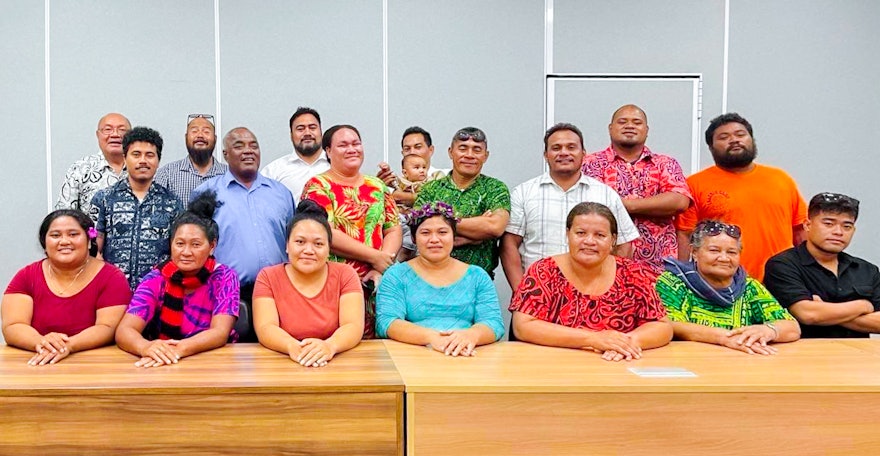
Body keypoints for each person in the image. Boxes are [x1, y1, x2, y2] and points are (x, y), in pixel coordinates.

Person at [509, 202, 672, 362]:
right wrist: (593, 339)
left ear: (613, 240)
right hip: (554, 366)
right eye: (580, 233)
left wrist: (624, 343)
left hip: (616, 367)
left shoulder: (632, 273)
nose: (589, 241)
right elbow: (523, 326)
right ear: (567, 234)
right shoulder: (544, 271)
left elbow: (662, 326)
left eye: (600, 235)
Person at [501, 123, 639, 292]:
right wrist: (522, 293)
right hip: (538, 294)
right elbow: (509, 245)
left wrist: (609, 290)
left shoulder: (605, 194)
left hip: (592, 296)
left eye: (571, 147)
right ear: (546, 155)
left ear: (583, 154)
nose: (563, 152)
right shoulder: (523, 193)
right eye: (556, 148)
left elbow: (624, 244)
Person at [192, 127, 295, 342]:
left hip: (278, 293)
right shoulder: (206, 193)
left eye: (253, 145)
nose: (248, 151)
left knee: (276, 360)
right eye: (239, 146)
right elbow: (196, 245)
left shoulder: (281, 193)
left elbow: (292, 241)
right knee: (231, 363)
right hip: (226, 294)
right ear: (225, 155)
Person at [676, 113, 807, 281]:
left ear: (751, 139)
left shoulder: (781, 179)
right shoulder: (695, 184)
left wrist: (808, 275)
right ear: (711, 147)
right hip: (723, 284)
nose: (734, 140)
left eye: (740, 134)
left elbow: (800, 231)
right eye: (724, 137)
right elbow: (685, 235)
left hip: (782, 282)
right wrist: (683, 277)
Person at [115, 192, 240, 368]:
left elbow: (219, 333)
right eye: (180, 244)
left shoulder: (224, 277)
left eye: (196, 245)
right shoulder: (157, 278)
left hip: (213, 359)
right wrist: (147, 348)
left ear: (212, 246)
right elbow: (125, 331)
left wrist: (178, 350)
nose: (186, 252)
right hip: (162, 361)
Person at [302, 124, 402, 338]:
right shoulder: (318, 186)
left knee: (378, 354)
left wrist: (381, 267)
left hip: (378, 283)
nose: (352, 149)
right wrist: (376, 257)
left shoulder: (377, 186)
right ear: (328, 151)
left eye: (356, 143)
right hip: (335, 284)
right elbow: (324, 233)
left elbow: (393, 228)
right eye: (343, 145)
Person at [2, 210, 131, 365]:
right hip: (37, 362)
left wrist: (68, 346)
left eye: (73, 234)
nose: (64, 241)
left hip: (95, 365)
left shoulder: (112, 277)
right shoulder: (26, 276)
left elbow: (107, 327)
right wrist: (42, 342)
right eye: (55, 235)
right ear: (44, 242)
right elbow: (13, 325)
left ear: (89, 241)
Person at [377, 201, 504, 356]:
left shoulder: (477, 276)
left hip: (466, 356)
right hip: (412, 356)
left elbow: (494, 323)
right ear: (413, 238)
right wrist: (432, 338)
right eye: (425, 233)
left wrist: (470, 335)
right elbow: (387, 322)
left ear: (454, 236)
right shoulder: (396, 275)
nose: (434, 239)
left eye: (442, 232)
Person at [657, 220, 800, 354]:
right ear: (694, 252)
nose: (724, 258)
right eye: (714, 251)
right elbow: (670, 325)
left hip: (738, 362)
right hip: (689, 359)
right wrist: (723, 337)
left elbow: (792, 327)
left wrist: (768, 330)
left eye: (731, 252)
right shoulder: (672, 282)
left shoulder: (749, 286)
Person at [253, 199, 364, 367]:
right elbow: (266, 327)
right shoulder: (268, 277)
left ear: (329, 249)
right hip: (281, 362)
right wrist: (293, 347)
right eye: (300, 242)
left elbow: (353, 325)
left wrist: (329, 346)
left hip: (336, 362)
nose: (308, 250)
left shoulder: (345, 275)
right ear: (287, 245)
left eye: (318, 244)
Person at [582, 105, 691, 270]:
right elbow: (590, 205)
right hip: (605, 266)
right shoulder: (591, 163)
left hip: (659, 268)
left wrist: (626, 205)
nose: (630, 126)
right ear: (610, 129)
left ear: (646, 130)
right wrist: (654, 205)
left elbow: (679, 200)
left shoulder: (665, 163)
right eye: (622, 121)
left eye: (637, 122)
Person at [765, 192, 880, 338]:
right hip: (806, 356)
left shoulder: (867, 270)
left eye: (847, 226)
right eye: (829, 224)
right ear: (807, 225)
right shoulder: (783, 265)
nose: (838, 232)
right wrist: (863, 306)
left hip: (858, 357)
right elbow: (807, 314)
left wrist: (825, 312)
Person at [90, 126, 183, 290]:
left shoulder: (172, 202)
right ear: (125, 158)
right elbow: (93, 248)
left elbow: (178, 250)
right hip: (113, 291)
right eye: (136, 154)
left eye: (150, 155)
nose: (143, 161)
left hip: (158, 292)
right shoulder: (104, 198)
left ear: (158, 160)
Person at [415, 127, 510, 278]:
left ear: (486, 156)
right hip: (430, 279)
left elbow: (495, 227)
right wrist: (477, 235)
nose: (469, 155)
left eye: (477, 150)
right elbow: (419, 233)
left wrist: (440, 225)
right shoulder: (431, 190)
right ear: (450, 152)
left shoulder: (495, 189)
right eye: (463, 148)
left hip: (478, 281)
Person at [56, 113, 131, 215]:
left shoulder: (142, 168)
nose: (115, 134)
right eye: (108, 129)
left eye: (122, 130)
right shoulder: (80, 169)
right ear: (98, 135)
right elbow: (63, 216)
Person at [154, 113, 227, 207]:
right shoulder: (167, 174)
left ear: (215, 139)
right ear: (186, 138)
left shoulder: (229, 175)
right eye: (194, 131)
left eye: (206, 132)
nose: (200, 135)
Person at [261, 107, 331, 202]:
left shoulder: (337, 166)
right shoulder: (274, 171)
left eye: (312, 128)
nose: (307, 133)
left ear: (321, 131)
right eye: (300, 129)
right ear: (291, 135)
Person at [395, 153, 445, 262]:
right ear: (405, 173)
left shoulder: (428, 183)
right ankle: (399, 257)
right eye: (417, 168)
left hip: (416, 217)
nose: (422, 170)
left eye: (424, 167)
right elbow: (393, 195)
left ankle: (410, 251)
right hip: (401, 216)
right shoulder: (400, 182)